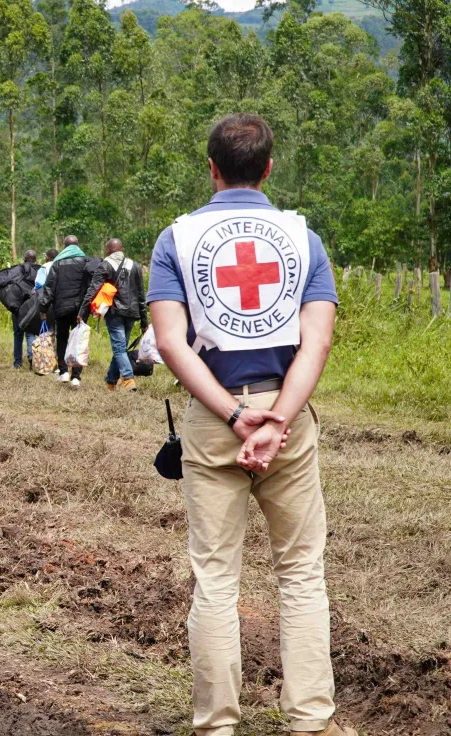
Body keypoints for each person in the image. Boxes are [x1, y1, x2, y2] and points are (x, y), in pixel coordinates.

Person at [149, 113, 348, 736]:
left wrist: (236, 415)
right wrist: (278, 419)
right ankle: (311, 721)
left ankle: (216, 725)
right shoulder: (301, 239)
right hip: (288, 425)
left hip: (214, 422)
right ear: (268, 167)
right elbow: (315, 343)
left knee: (215, 576)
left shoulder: (174, 240)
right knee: (301, 573)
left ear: (211, 168)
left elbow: (170, 342)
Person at [81, 238, 148, 392]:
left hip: (115, 312)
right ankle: (111, 382)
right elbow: (141, 295)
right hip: (132, 313)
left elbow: (92, 290)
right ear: (122, 249)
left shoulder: (105, 264)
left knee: (119, 348)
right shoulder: (135, 265)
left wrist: (82, 312)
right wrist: (144, 321)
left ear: (108, 250)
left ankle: (128, 379)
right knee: (121, 347)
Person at [40, 236, 97, 388]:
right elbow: (93, 284)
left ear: (64, 247)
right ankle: (76, 377)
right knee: (79, 340)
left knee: (62, 339)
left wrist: (43, 308)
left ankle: (63, 372)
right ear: (78, 245)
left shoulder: (58, 263)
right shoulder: (86, 261)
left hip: (61, 307)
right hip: (81, 309)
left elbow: (49, 287)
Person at [13, 251, 44, 369]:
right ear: (35, 259)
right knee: (30, 332)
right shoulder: (40, 270)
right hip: (33, 306)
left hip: (18, 305)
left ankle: (17, 363)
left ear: (25, 259)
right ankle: (32, 358)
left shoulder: (18, 269)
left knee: (18, 334)